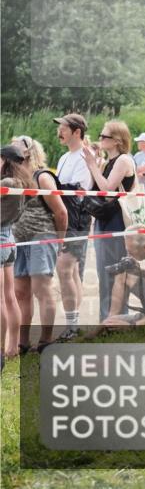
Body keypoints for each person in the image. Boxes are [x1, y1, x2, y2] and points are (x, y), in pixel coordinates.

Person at [10, 137, 66, 353]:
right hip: (18, 241)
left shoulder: (42, 176)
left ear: (29, 150)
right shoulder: (12, 177)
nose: (12, 145)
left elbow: (61, 211)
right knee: (20, 292)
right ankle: (23, 342)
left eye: (18, 143)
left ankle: (45, 340)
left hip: (42, 238)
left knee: (42, 289)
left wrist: (60, 240)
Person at [81, 120, 135, 321]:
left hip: (117, 222)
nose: (100, 139)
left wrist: (92, 165)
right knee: (103, 271)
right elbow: (93, 190)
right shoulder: (110, 162)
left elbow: (108, 189)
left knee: (115, 270)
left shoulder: (123, 160)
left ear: (117, 140)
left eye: (104, 136)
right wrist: (94, 166)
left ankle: (116, 317)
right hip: (105, 219)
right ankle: (108, 317)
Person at [53, 113, 92, 337]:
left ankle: (72, 326)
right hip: (66, 217)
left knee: (66, 269)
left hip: (78, 217)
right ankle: (73, 324)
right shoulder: (64, 157)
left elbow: (78, 191)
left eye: (64, 128)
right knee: (71, 271)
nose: (60, 132)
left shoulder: (85, 155)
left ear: (77, 132)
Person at [1, 145, 25, 360]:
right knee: (9, 297)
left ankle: (1, 349)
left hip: (1, 237)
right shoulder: (18, 182)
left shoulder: (6, 184)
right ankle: (12, 346)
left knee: (2, 299)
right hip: (8, 238)